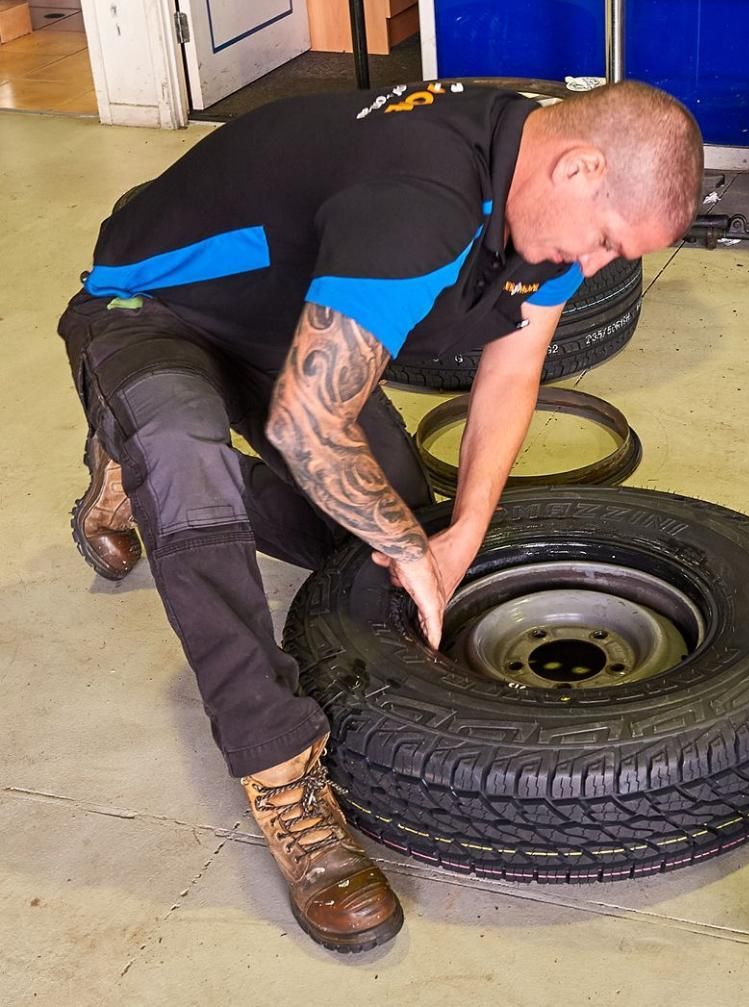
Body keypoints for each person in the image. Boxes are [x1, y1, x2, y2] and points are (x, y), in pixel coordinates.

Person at [58, 79, 703, 954]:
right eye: (604, 242)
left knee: (371, 533)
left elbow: (511, 374)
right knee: (190, 461)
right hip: (154, 305)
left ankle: (150, 484)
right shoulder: (420, 195)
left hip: (286, 323)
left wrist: (458, 535)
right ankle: (282, 777)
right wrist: (407, 544)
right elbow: (304, 421)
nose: (594, 266)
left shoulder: (543, 192)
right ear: (582, 168)